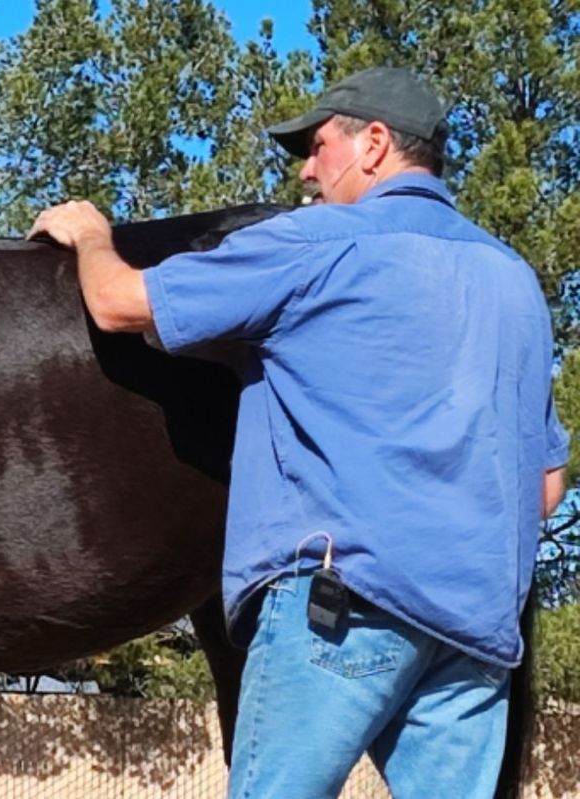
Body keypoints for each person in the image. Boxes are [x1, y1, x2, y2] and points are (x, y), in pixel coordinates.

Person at [30, 67, 569, 799]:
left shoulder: (319, 242)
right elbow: (544, 488)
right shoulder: (515, 285)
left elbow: (120, 304)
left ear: (374, 144)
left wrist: (92, 234)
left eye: (317, 146)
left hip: (340, 611)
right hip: (475, 635)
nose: (307, 171)